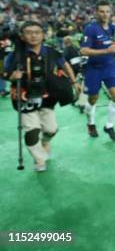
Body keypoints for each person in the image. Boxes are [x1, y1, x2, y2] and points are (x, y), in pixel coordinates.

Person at [3, 21, 80, 172]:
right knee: (32, 130)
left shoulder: (51, 52)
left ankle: (45, 142)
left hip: (47, 96)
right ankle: (39, 158)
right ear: (22, 36)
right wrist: (12, 76)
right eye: (29, 32)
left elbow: (66, 65)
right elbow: (5, 74)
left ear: (43, 35)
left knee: (51, 130)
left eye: (37, 32)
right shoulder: (14, 55)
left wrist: (74, 81)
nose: (33, 35)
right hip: (24, 98)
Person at [80, 1, 115, 141]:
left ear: (110, 13)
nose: (105, 14)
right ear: (96, 13)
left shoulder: (112, 27)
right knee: (93, 99)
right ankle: (90, 123)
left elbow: (113, 42)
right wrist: (105, 50)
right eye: (102, 11)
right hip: (94, 68)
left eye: (107, 11)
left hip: (109, 66)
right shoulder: (90, 29)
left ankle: (109, 126)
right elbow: (83, 50)